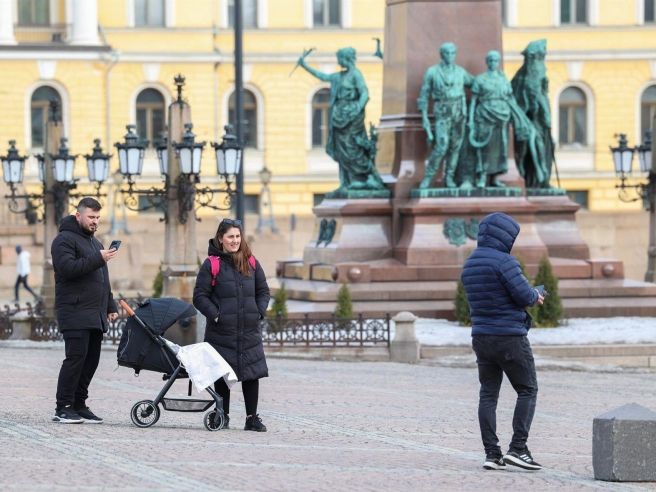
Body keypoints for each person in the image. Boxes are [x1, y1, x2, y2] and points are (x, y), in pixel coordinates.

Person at [460, 212, 545, 471]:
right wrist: (536, 295)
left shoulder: (470, 263)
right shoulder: (505, 261)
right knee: (527, 389)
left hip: (481, 337)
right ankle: (518, 449)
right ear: (505, 237)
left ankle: (492, 454)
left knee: (488, 394)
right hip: (509, 337)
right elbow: (524, 296)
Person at [193, 218, 271, 432]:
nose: (235, 240)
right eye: (230, 237)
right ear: (221, 238)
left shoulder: (251, 261)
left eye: (238, 236)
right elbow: (199, 296)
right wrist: (217, 316)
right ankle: (222, 415)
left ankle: (251, 418)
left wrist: (258, 312)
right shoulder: (211, 264)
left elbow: (263, 291)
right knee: (222, 374)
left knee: (252, 373)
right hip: (221, 330)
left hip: (248, 329)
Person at [52, 197, 119, 424]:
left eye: (98, 217)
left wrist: (109, 305)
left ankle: (79, 404)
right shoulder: (63, 240)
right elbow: (68, 269)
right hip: (74, 310)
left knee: (91, 361)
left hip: (94, 312)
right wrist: (98, 258)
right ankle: (63, 407)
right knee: (75, 359)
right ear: (78, 215)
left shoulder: (96, 243)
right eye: (91, 217)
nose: (95, 221)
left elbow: (103, 277)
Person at [297, 47, 386, 194]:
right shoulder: (338, 76)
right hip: (339, 117)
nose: (338, 62)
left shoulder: (356, 74)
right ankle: (346, 183)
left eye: (340, 58)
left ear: (347, 58)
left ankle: (368, 176)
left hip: (351, 117)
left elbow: (364, 93)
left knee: (353, 148)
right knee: (341, 150)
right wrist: (305, 66)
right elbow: (323, 76)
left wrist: (357, 108)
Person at [469, 50, 546, 188]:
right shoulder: (480, 79)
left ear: (498, 62)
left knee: (500, 147)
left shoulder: (503, 79)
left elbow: (510, 98)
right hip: (485, 114)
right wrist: (470, 120)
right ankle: (482, 176)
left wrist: (518, 115)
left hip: (502, 115)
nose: (493, 63)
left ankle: (494, 177)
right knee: (485, 147)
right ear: (487, 62)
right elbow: (474, 100)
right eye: (491, 60)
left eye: (495, 60)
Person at [417, 42, 473, 189]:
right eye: (447, 53)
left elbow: (476, 84)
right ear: (441, 55)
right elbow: (424, 95)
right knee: (441, 145)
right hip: (442, 112)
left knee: (455, 147)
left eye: (453, 53)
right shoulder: (432, 72)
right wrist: (424, 118)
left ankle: (449, 178)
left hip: (459, 111)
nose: (450, 56)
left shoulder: (461, 72)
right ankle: (428, 177)